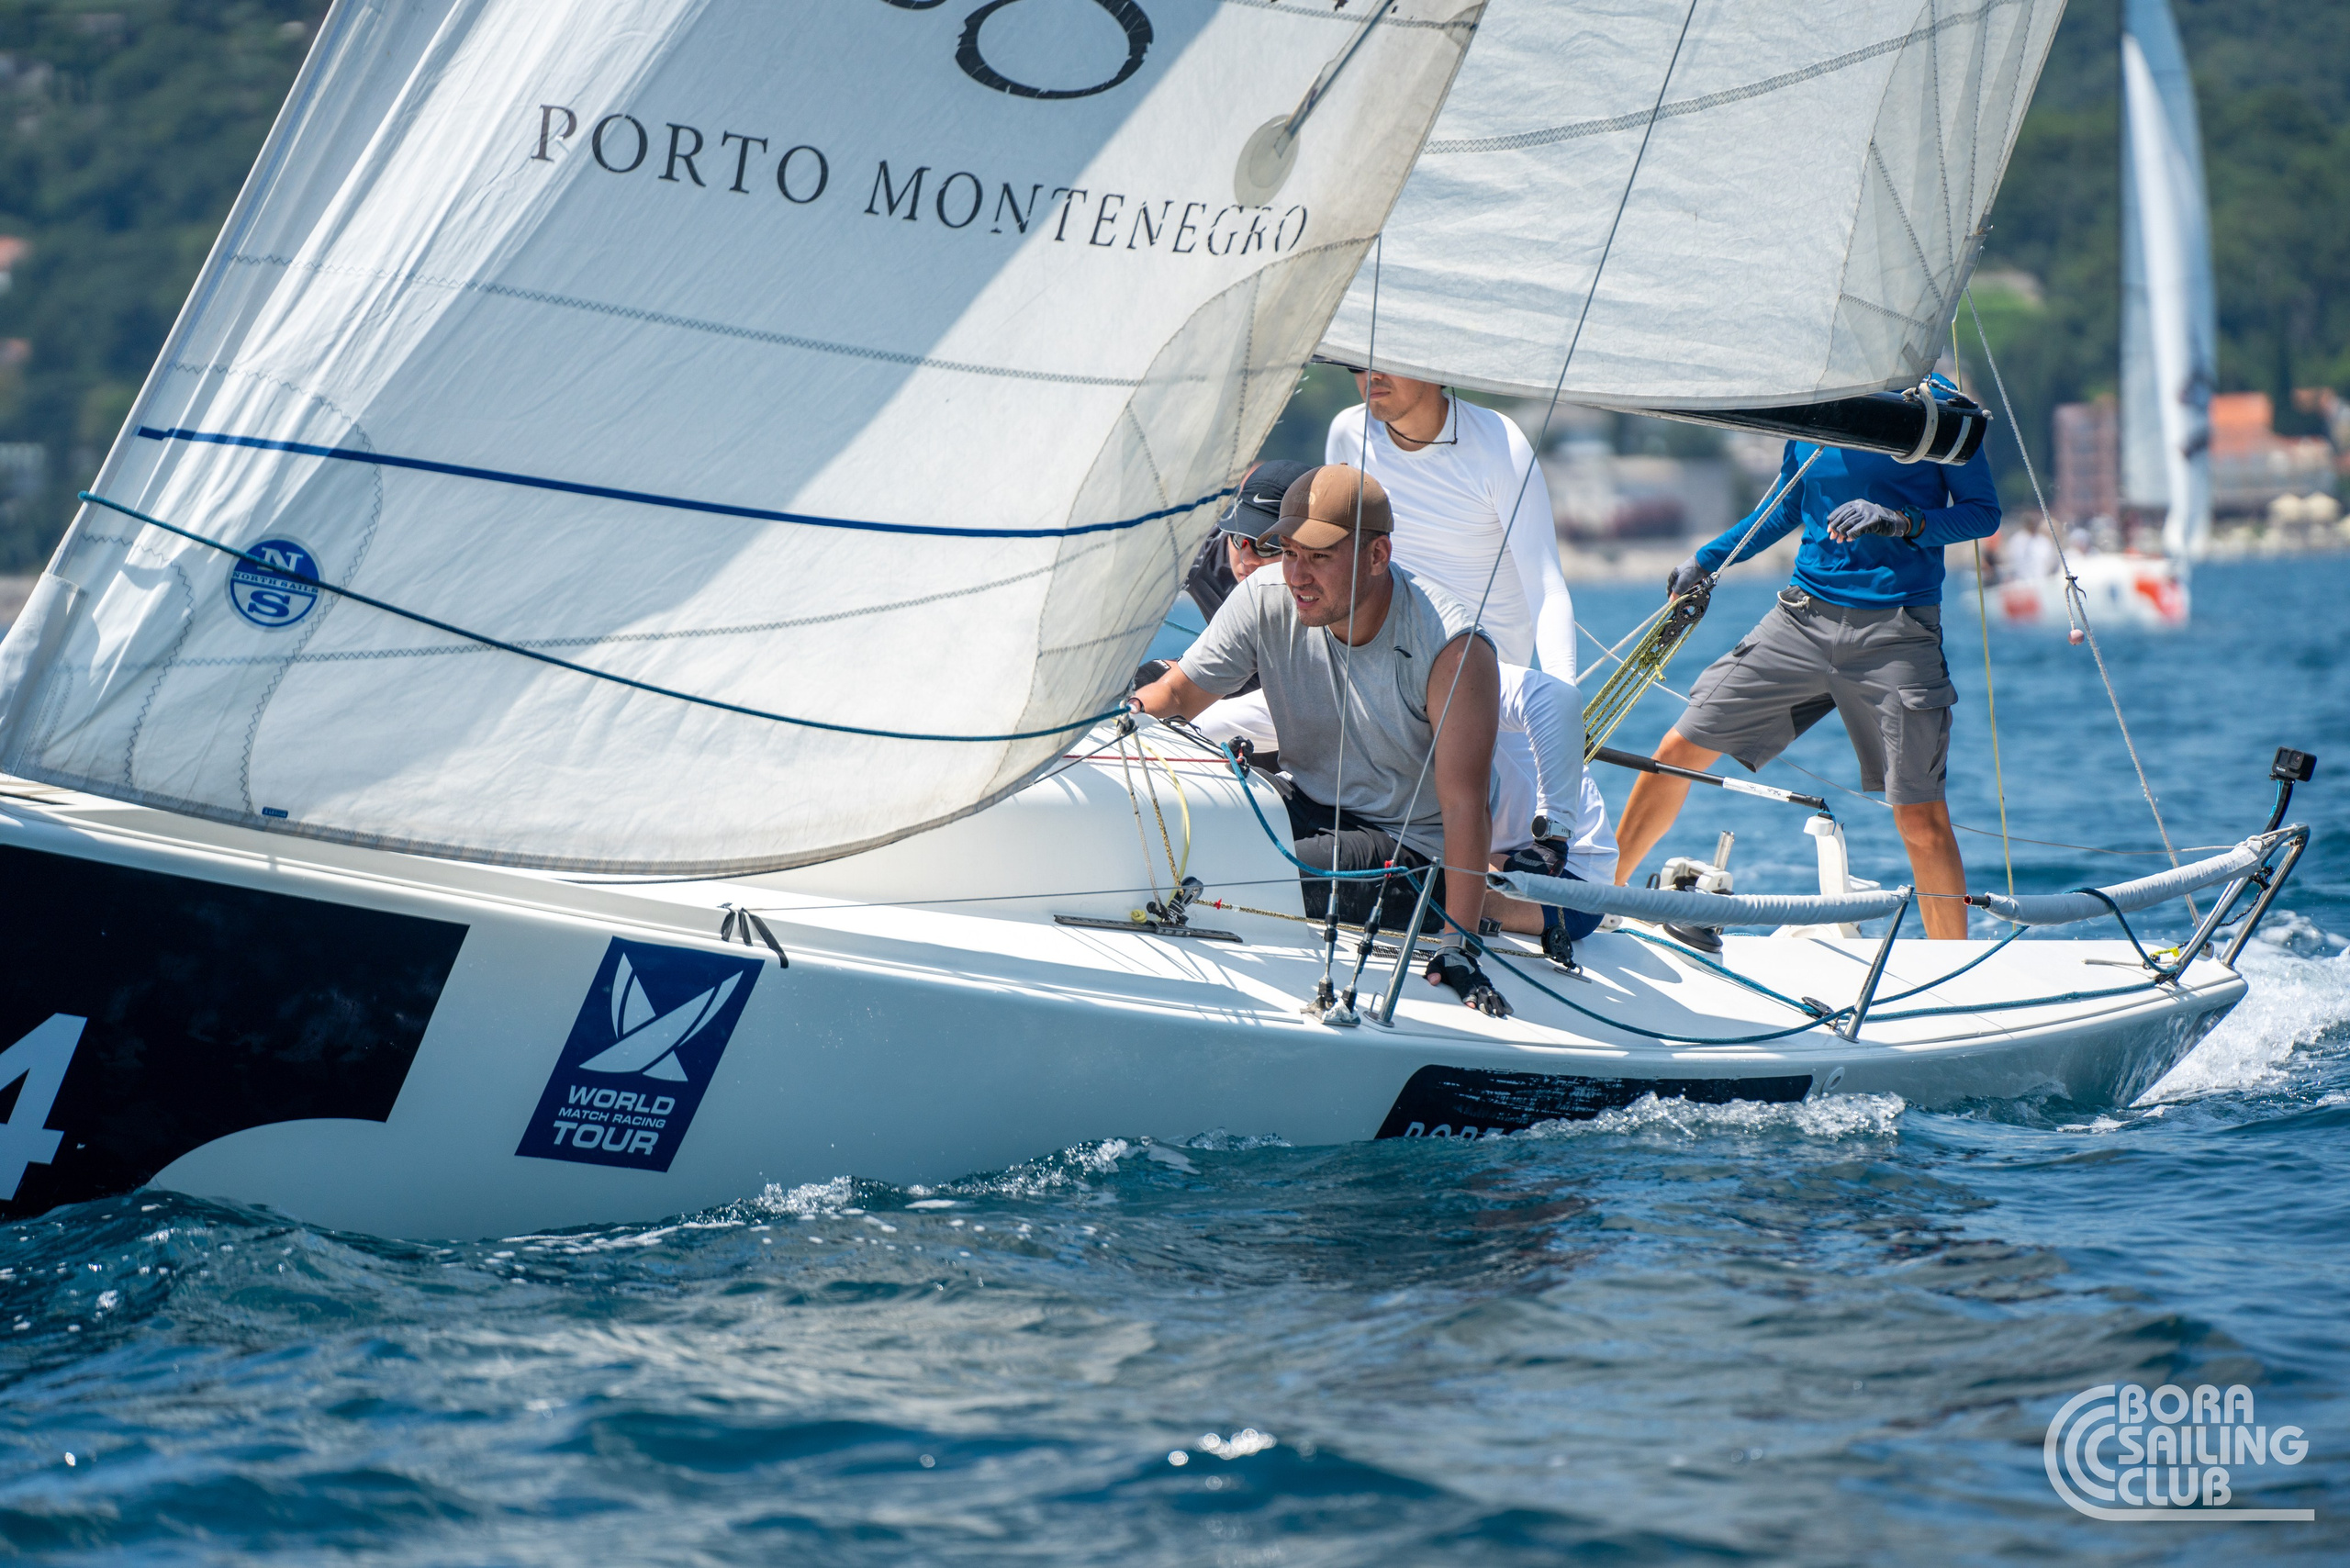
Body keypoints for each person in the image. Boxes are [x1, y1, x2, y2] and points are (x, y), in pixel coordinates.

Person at [1131, 465, 1513, 1014]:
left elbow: (1464, 806)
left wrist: (1459, 946)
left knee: (1263, 871)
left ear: (1378, 556)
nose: (1298, 576)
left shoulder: (1452, 647)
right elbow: (1176, 696)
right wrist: (1112, 723)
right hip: (1308, 800)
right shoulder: (1266, 596)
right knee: (1174, 817)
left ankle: (1500, 908)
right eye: (1287, 552)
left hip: (1410, 845)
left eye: (1319, 556)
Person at [1615, 400, 2000, 939]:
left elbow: (1983, 512)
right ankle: (1597, 899)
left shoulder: (1938, 413)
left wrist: (1900, 521)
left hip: (1896, 633)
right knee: (1677, 752)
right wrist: (1708, 559)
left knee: (1919, 815)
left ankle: (1951, 970)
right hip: (1800, 620)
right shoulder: (1824, 402)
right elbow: (1787, 504)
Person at [1325, 368, 1578, 678]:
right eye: (1356, 362)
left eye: (1388, 359)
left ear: (1435, 364)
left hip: (1487, 682)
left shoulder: (1500, 443)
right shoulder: (1347, 433)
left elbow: (1545, 587)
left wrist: (1563, 690)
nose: (1371, 374)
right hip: (1386, 678)